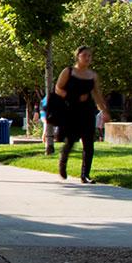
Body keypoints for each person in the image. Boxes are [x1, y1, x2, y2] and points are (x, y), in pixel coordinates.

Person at [53, 45, 110, 184]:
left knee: (89, 143)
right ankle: (63, 162)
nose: (87, 58)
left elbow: (97, 94)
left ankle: (85, 175)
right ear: (77, 56)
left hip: (87, 111)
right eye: (84, 55)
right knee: (71, 141)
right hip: (72, 110)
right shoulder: (68, 72)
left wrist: (104, 111)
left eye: (89, 56)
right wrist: (74, 97)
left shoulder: (93, 75)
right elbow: (58, 89)